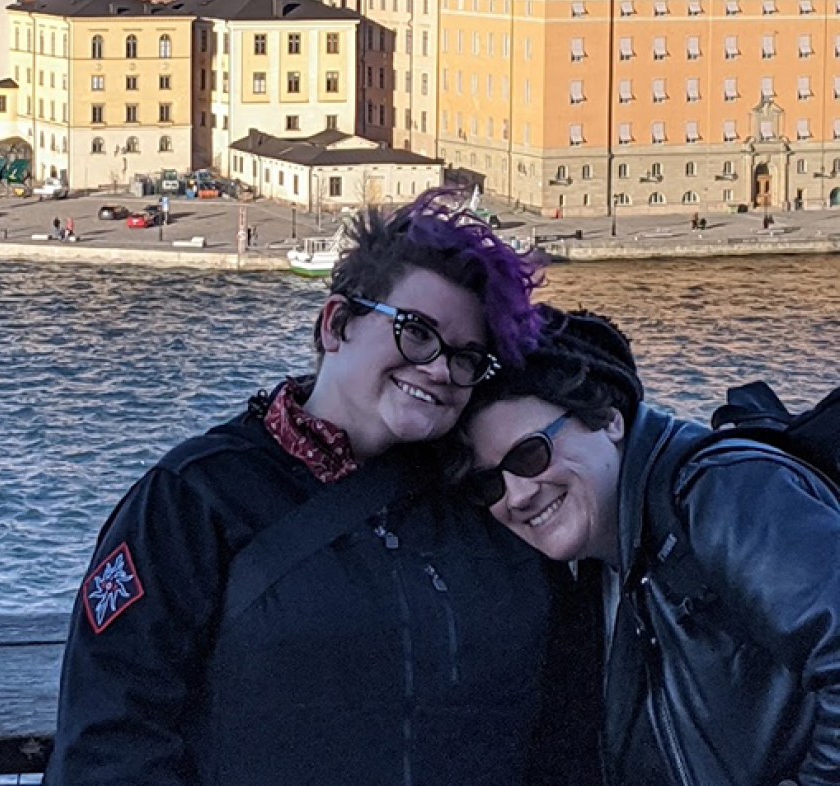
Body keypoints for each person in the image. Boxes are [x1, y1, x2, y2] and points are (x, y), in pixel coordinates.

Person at [45, 190, 598, 786]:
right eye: (417, 332)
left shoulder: (494, 500)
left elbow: (566, 723)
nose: (440, 368)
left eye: (468, 357)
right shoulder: (192, 499)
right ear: (336, 324)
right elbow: (110, 737)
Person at [461, 306, 840, 786]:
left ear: (607, 419)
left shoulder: (717, 494)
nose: (516, 494)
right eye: (488, 485)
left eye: (530, 454)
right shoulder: (600, 560)